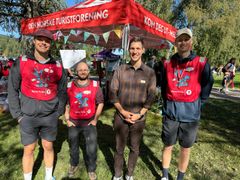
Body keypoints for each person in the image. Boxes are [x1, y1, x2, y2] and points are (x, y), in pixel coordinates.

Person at [8, 29, 67, 180]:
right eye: (40, 39)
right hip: (27, 116)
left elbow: (62, 91)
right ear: (34, 41)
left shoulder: (59, 66)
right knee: (29, 149)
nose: (43, 43)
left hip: (49, 117)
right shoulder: (22, 62)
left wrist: (58, 112)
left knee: (48, 146)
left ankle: (48, 177)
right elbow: (12, 89)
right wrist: (18, 115)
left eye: (47, 40)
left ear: (51, 44)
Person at [160, 28, 213, 180]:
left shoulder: (201, 63)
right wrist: (169, 103)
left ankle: (179, 178)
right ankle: (164, 176)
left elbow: (207, 86)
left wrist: (198, 104)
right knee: (168, 146)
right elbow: (164, 87)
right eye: (180, 40)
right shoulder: (168, 64)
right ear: (175, 43)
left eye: (186, 39)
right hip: (171, 114)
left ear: (191, 42)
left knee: (185, 149)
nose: (183, 42)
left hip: (190, 116)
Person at [110, 37, 156, 180]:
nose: (134, 51)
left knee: (134, 148)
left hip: (139, 118)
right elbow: (112, 92)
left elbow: (151, 96)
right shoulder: (120, 70)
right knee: (119, 148)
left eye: (137, 48)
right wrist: (123, 112)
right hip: (120, 116)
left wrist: (139, 114)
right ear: (129, 50)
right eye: (132, 48)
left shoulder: (149, 72)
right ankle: (117, 175)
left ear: (143, 50)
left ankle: (129, 174)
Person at [64, 61, 104, 180]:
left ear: (89, 71)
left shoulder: (95, 85)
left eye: (85, 69)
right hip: (74, 122)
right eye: (80, 70)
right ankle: (74, 164)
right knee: (73, 146)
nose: (83, 72)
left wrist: (96, 119)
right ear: (76, 71)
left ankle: (91, 169)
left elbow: (101, 103)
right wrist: (67, 119)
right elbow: (66, 103)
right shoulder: (70, 86)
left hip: (89, 122)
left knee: (91, 148)